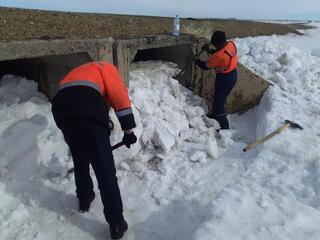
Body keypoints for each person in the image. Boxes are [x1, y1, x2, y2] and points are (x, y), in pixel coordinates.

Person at [51, 61, 137, 239]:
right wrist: (128, 131)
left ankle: (84, 198)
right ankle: (116, 223)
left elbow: (72, 97)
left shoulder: (79, 71)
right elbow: (119, 96)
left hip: (62, 110)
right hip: (88, 107)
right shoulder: (107, 68)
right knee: (104, 168)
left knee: (80, 157)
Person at [194, 31, 238, 129]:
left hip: (225, 78)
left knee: (219, 102)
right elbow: (222, 52)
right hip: (232, 74)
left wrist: (197, 61)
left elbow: (206, 66)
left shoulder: (218, 56)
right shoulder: (231, 44)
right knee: (218, 98)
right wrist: (209, 51)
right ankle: (215, 115)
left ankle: (224, 127)